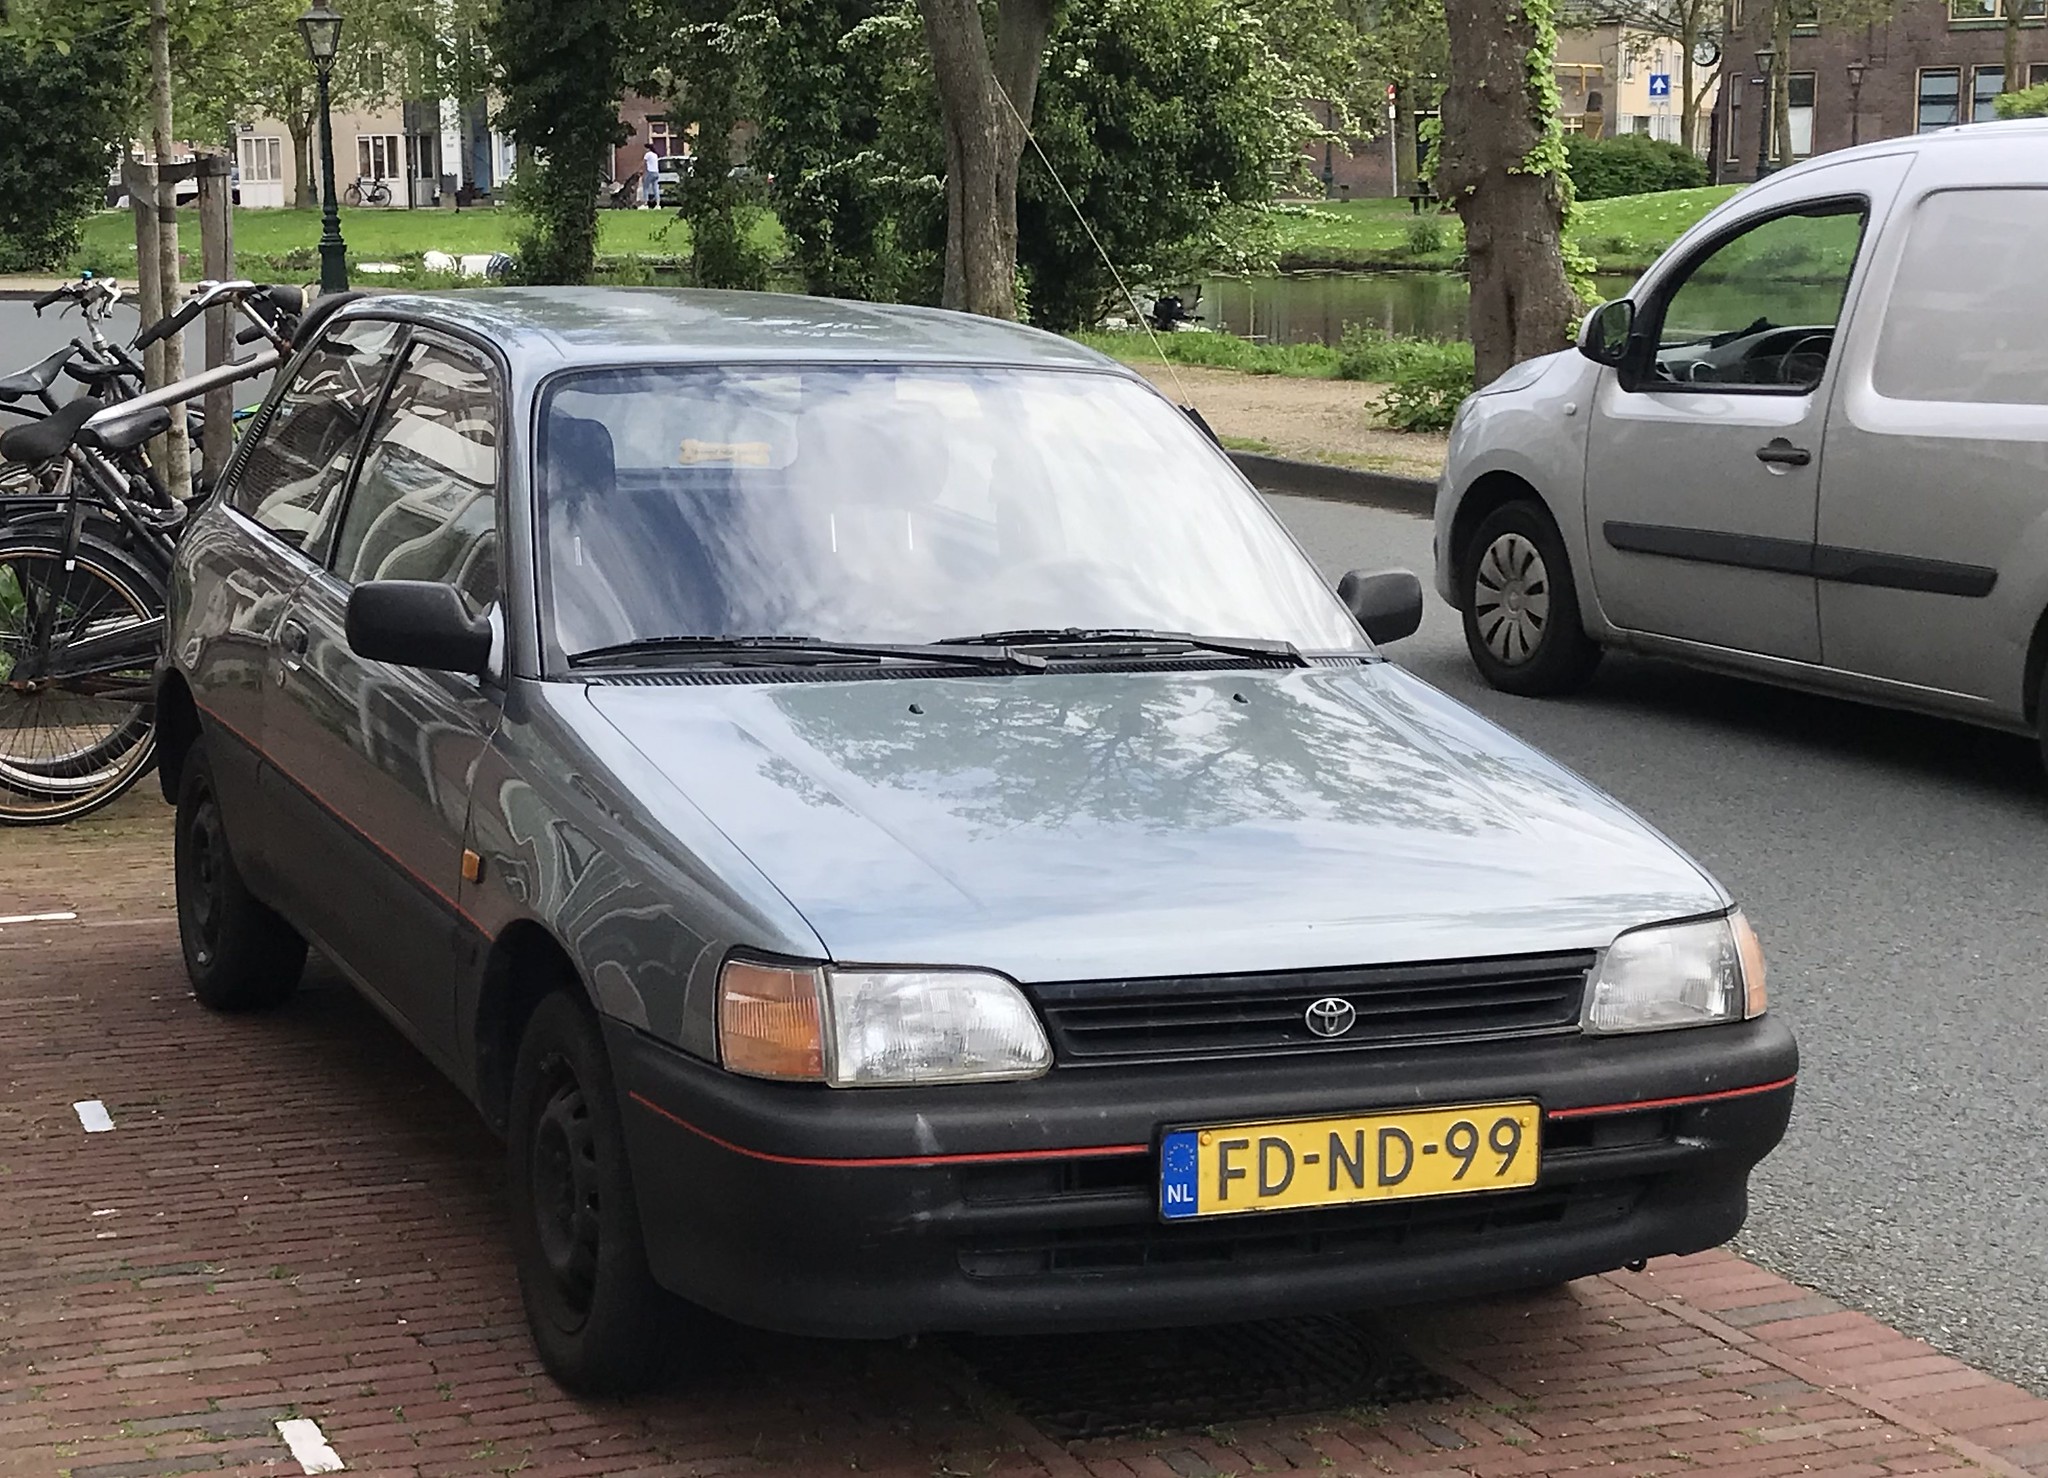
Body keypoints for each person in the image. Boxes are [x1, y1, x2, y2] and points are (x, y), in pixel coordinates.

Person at [643, 142, 661, 208]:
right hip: (656, 172)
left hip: (650, 172)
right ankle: (658, 204)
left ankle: (645, 204)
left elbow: (644, 163)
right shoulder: (655, 155)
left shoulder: (647, 154)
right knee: (655, 188)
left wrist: (644, 172)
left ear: (647, 148)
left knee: (645, 188)